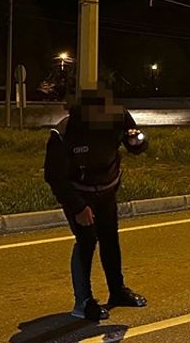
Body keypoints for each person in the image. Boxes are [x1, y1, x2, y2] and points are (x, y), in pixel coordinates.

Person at [43, 86, 149, 321]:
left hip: (107, 190)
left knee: (110, 238)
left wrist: (136, 142)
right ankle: (83, 302)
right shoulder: (65, 132)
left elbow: (135, 143)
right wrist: (78, 206)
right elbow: (54, 176)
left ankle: (117, 291)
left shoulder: (118, 116)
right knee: (87, 240)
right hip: (78, 192)